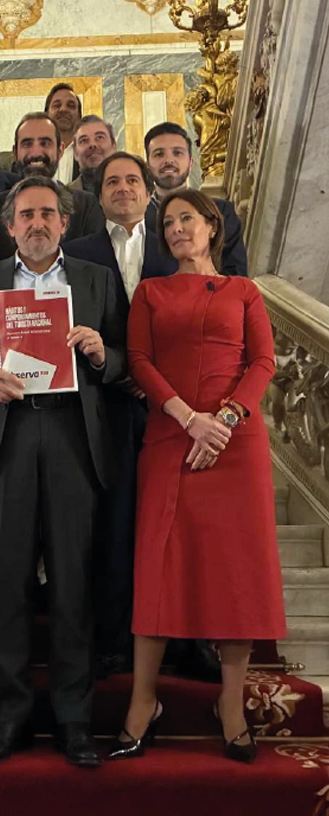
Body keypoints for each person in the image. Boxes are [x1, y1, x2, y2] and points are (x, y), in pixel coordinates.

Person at [0, 176, 126, 767]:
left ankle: (75, 722)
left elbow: (127, 357)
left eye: (48, 214)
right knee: (9, 585)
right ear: (9, 225)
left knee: (74, 584)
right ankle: (11, 717)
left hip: (75, 438)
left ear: (64, 221)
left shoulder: (97, 280)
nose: (37, 223)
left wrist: (103, 353)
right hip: (10, 437)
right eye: (26, 215)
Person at [107, 189, 286, 765]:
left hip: (236, 445)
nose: (177, 229)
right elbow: (139, 362)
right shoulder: (150, 292)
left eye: (187, 219)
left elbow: (263, 361)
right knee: (159, 566)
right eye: (169, 223)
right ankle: (143, 701)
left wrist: (227, 418)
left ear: (212, 227)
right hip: (170, 438)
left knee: (239, 572)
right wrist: (188, 419)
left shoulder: (244, 290)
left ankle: (230, 705)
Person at [64, 153, 176, 676]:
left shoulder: (174, 244)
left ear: (149, 191)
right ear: (99, 194)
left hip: (172, 407)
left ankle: (182, 638)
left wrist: (155, 374)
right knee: (114, 525)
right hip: (105, 404)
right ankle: (112, 638)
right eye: (113, 182)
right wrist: (116, 365)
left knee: (173, 527)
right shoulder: (76, 251)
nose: (123, 188)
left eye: (133, 179)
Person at [0, 112, 103, 266]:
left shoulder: (86, 205)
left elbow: (94, 274)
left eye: (45, 143)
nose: (36, 152)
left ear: (60, 150)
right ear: (15, 152)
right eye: (27, 144)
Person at [144, 122, 248, 276]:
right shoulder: (137, 218)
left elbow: (236, 273)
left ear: (191, 163)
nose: (168, 160)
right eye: (159, 154)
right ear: (147, 166)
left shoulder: (222, 212)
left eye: (177, 153)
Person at [67, 115, 118, 194]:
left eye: (100, 137)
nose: (92, 144)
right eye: (84, 140)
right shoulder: (63, 196)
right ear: (75, 153)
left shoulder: (134, 190)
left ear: (114, 145)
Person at [45, 83, 83, 184]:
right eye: (57, 105)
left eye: (70, 106)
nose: (63, 109)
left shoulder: (87, 156)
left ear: (79, 117)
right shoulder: (34, 154)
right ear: (46, 115)